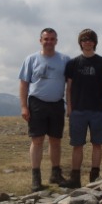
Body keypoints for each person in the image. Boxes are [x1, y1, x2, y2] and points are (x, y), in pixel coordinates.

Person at [19, 27, 70, 192]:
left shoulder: (65, 60)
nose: (49, 42)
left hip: (56, 103)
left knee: (55, 140)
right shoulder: (31, 59)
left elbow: (70, 85)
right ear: (40, 40)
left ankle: (55, 173)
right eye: (46, 39)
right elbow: (24, 83)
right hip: (37, 103)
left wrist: (70, 105)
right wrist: (24, 106)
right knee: (37, 140)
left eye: (52, 39)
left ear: (56, 41)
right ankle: (36, 177)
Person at [59, 29, 102, 189]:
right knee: (77, 145)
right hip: (78, 111)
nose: (87, 42)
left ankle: (95, 177)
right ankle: (75, 178)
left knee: (97, 144)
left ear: (95, 42)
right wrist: (69, 108)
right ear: (80, 43)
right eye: (84, 39)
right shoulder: (73, 64)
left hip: (97, 111)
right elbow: (68, 88)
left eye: (90, 39)